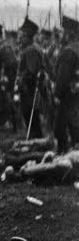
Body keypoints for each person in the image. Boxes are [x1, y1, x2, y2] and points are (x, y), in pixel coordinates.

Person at [53, 16, 79, 152]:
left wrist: (57, 94)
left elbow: (62, 77)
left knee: (61, 128)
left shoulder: (69, 51)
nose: (61, 34)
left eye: (63, 32)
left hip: (67, 95)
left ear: (69, 33)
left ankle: (64, 153)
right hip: (75, 94)